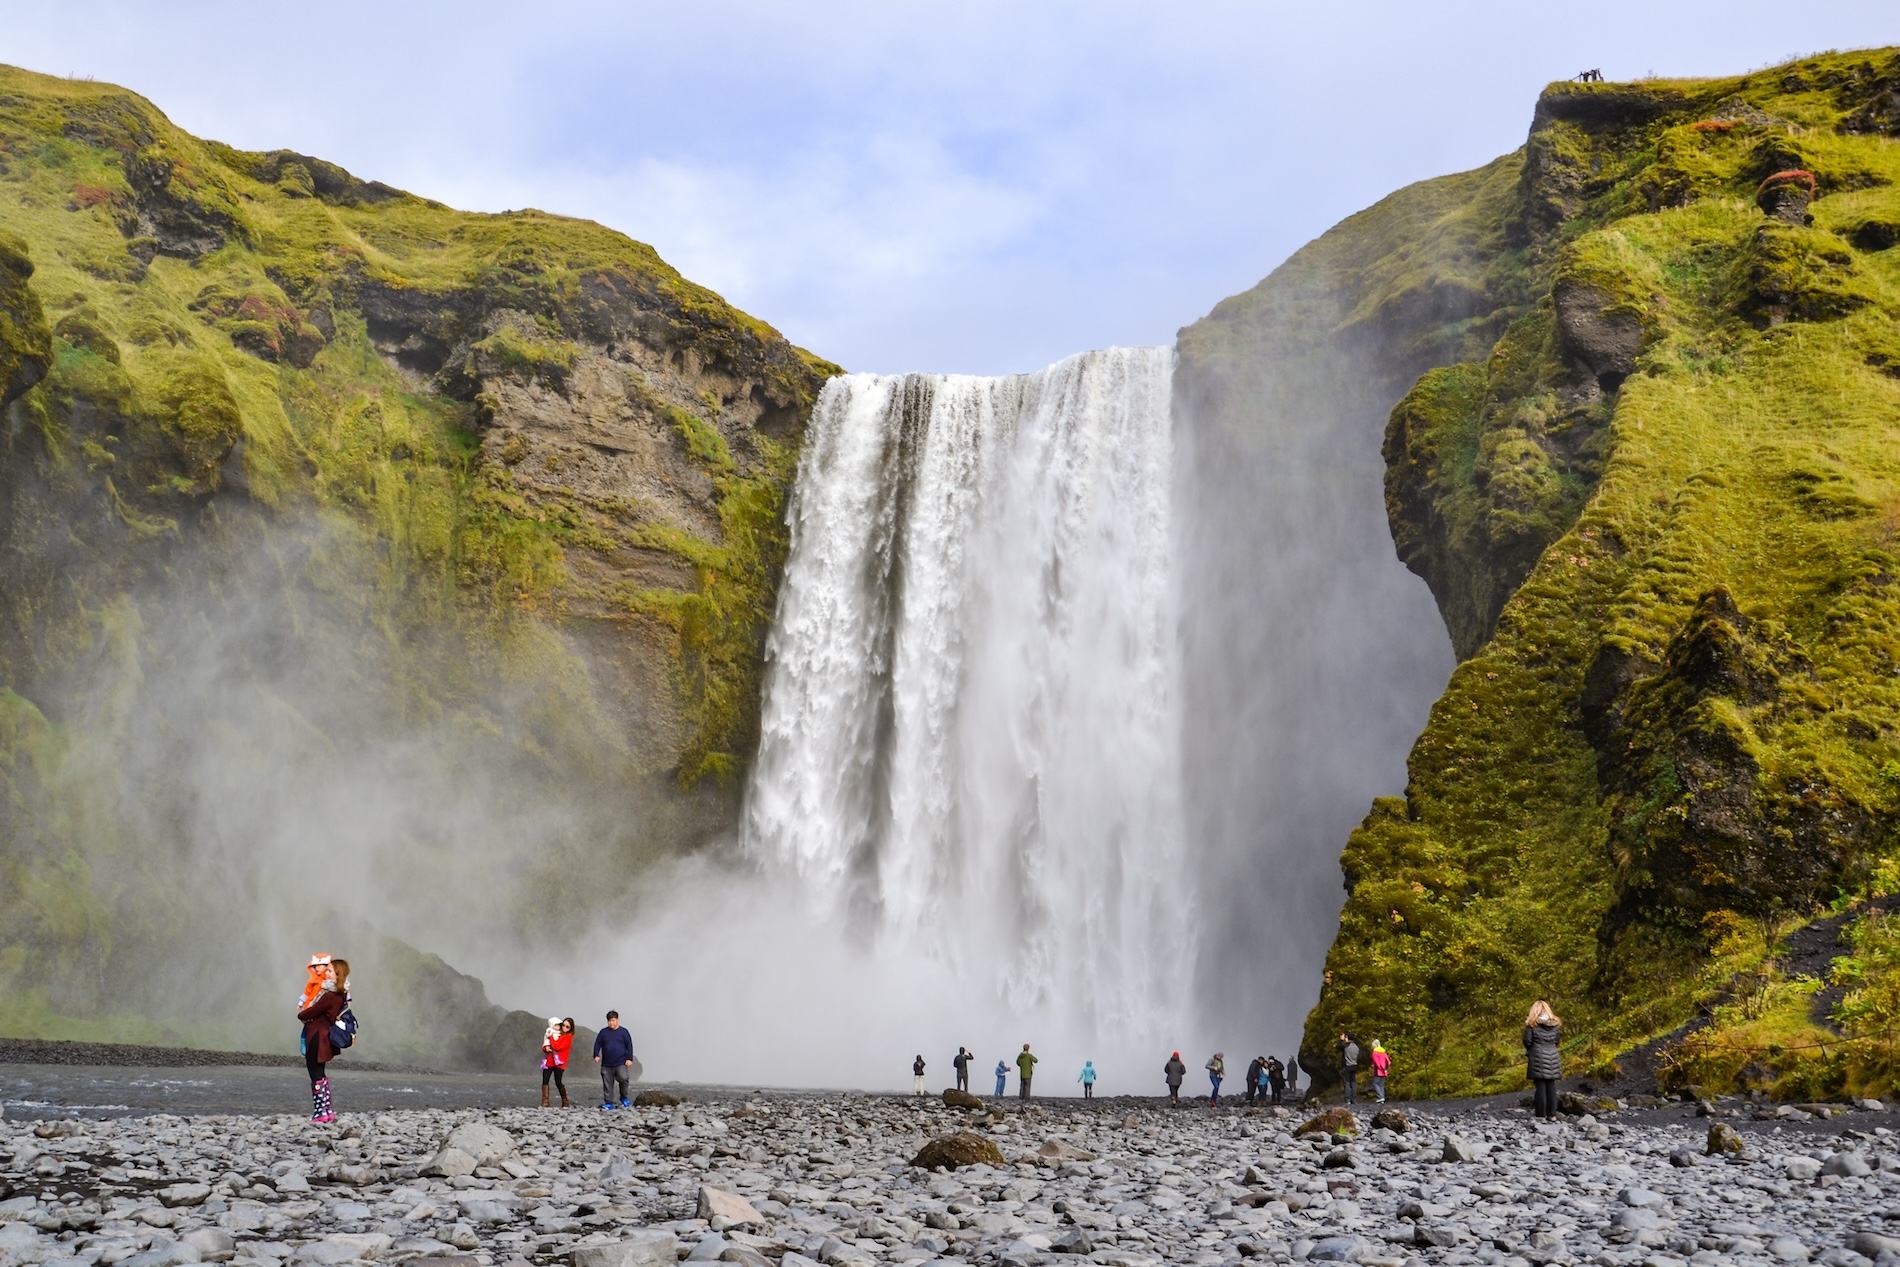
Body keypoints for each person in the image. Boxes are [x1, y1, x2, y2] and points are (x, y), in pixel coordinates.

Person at [297, 957, 350, 1125]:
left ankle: (320, 1112)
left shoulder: (329, 995)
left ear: (337, 975)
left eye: (329, 971)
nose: (326, 974)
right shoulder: (341, 994)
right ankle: (327, 1110)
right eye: (326, 970)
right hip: (325, 1038)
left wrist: (301, 1015)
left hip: (317, 1037)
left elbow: (312, 1011)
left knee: (315, 1074)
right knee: (321, 1074)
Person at [1524, 1000, 1563, 1121]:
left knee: (1540, 1086)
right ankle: (1552, 1114)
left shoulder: (1532, 1025)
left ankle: (1540, 1115)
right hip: (1553, 1056)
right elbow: (1557, 1041)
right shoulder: (1554, 1025)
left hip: (1537, 1057)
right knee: (1551, 1086)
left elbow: (1527, 1041)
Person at [593, 1010, 636, 1109]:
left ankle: (624, 1097)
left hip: (620, 1062)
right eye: (609, 1021)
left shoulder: (624, 1032)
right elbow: (597, 1044)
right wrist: (596, 1055)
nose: (611, 1023)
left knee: (623, 1078)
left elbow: (629, 1045)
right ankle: (609, 1103)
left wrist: (629, 1058)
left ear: (617, 1020)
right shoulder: (603, 1032)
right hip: (606, 1063)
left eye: (613, 1020)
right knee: (607, 1083)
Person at [541, 1017, 574, 1108]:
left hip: (560, 1063)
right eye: (563, 1025)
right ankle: (545, 1101)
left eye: (567, 1027)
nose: (564, 1027)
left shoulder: (568, 1037)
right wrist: (545, 1048)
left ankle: (565, 1101)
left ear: (571, 1028)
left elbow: (557, 1046)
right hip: (549, 1061)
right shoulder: (556, 1033)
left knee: (558, 1081)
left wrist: (551, 1036)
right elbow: (545, 1045)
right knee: (545, 1079)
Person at [1338, 1033, 1360, 1105]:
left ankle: (1347, 1098)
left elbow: (1338, 1047)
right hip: (1354, 1065)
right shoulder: (1356, 1047)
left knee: (1347, 1082)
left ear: (1348, 1038)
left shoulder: (1346, 1047)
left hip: (1347, 1066)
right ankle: (1353, 1098)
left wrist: (1341, 1040)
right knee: (1353, 1082)